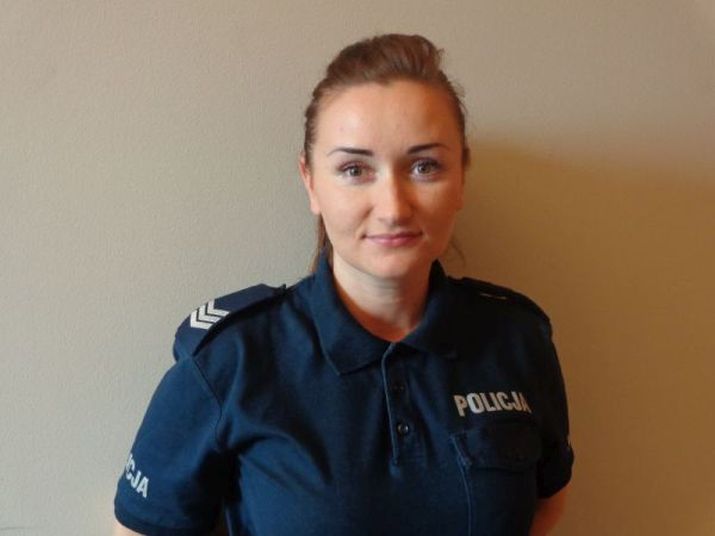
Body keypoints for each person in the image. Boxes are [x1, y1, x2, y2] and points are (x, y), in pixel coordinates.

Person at [113, 33, 573, 536]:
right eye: (355, 169)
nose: (393, 207)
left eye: (424, 166)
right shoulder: (230, 360)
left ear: (461, 175)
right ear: (310, 181)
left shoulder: (517, 340)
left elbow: (546, 504)